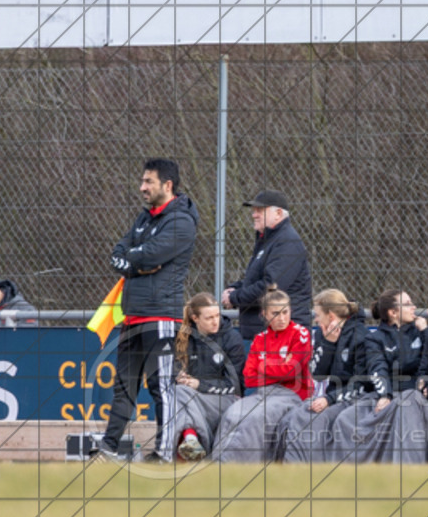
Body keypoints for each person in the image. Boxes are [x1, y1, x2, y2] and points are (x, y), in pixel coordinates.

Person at [92, 158, 199, 463]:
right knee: (123, 387)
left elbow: (149, 254)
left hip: (160, 317)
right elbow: (118, 254)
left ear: (168, 185)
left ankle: (164, 454)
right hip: (133, 316)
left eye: (148, 181)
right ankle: (108, 449)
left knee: (160, 387)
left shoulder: (181, 221)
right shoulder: (144, 218)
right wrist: (135, 264)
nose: (142, 187)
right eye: (142, 181)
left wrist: (134, 260)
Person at [211, 289, 313, 462]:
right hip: (263, 393)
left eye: (285, 312)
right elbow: (249, 377)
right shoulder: (260, 339)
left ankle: (239, 466)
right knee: (233, 413)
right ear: (264, 314)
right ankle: (217, 463)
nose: (282, 318)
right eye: (275, 313)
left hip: (291, 394)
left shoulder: (300, 334)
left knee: (255, 417)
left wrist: (263, 365)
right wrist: (280, 367)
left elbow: (291, 371)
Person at [328, 289, 427, 462]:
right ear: (393, 313)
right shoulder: (375, 338)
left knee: (403, 407)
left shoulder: (421, 333)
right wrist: (384, 395)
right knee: (345, 419)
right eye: (408, 304)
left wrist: (425, 332)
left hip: (411, 393)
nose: (414, 307)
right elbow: (377, 367)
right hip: (385, 392)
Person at [280, 289, 369, 462]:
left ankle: (310, 469)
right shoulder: (323, 334)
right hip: (333, 397)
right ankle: (291, 468)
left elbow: (361, 383)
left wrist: (329, 399)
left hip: (354, 398)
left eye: (318, 315)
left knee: (312, 420)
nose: (316, 320)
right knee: (294, 416)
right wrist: (329, 344)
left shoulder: (360, 336)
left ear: (331, 316)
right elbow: (318, 374)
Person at [161, 293, 246, 462]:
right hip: (191, 398)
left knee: (181, 395)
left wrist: (200, 384)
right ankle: (192, 444)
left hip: (225, 400)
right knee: (179, 392)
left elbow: (235, 385)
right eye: (209, 318)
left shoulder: (232, 338)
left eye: (217, 316)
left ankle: (190, 440)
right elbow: (167, 373)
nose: (215, 321)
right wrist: (179, 376)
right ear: (195, 318)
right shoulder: (182, 337)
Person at [221, 190, 312, 342]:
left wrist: (235, 297)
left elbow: (270, 287)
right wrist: (236, 288)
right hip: (264, 334)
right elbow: (257, 279)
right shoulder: (269, 240)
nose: (254, 215)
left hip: (282, 337)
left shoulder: (286, 242)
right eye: (254, 210)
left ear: (278, 213)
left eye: (260, 210)